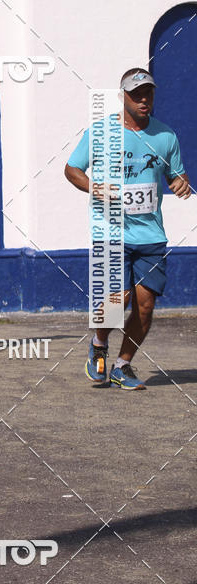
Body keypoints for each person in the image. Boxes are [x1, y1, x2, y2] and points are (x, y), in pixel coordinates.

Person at [65, 68, 191, 390]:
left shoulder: (166, 136)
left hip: (151, 235)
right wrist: (95, 188)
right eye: (137, 95)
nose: (144, 100)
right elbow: (72, 169)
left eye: (148, 93)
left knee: (145, 307)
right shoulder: (100, 132)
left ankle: (122, 365)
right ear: (123, 96)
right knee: (118, 299)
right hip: (112, 231)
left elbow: (175, 176)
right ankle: (98, 343)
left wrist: (180, 184)